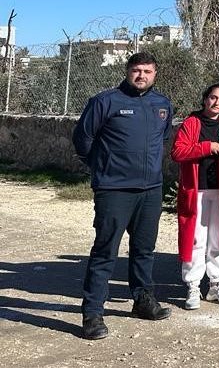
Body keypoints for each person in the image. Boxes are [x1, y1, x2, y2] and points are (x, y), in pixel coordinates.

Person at [73, 51, 174, 340]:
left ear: (155, 74)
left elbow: (161, 139)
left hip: (150, 190)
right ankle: (92, 313)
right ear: (127, 71)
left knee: (144, 249)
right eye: (136, 70)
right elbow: (83, 140)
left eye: (148, 71)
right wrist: (101, 168)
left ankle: (143, 300)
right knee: (105, 251)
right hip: (113, 190)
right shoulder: (104, 102)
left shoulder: (162, 104)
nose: (141, 75)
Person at [171, 83, 219, 309]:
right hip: (197, 191)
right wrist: (206, 147)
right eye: (213, 98)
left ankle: (215, 284)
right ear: (205, 99)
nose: (217, 103)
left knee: (218, 239)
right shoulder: (191, 123)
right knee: (196, 239)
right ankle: (193, 286)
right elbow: (178, 151)